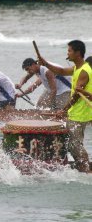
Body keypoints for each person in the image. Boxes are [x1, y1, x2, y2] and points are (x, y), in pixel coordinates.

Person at [37, 40, 92, 172]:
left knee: (74, 145)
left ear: (78, 53)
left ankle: (87, 170)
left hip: (80, 113)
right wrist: (45, 63)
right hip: (75, 112)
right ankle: (83, 166)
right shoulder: (77, 68)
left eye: (69, 50)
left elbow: (77, 95)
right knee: (73, 143)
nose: (67, 53)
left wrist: (64, 110)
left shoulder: (84, 71)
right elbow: (61, 71)